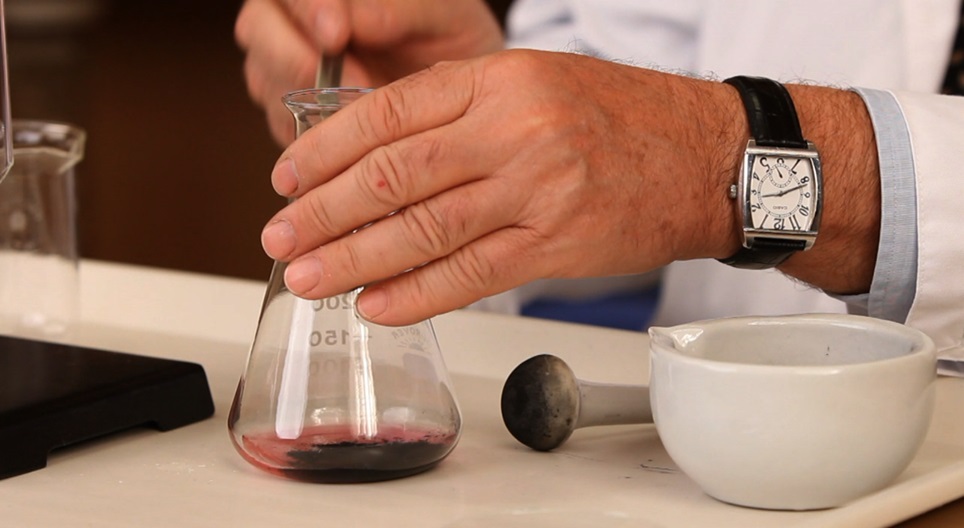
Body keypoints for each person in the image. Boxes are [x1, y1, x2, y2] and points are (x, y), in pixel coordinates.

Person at [234, 0, 964, 356]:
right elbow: (612, 79)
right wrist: (469, 110)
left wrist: (713, 157)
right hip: (719, 461)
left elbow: (673, 148)